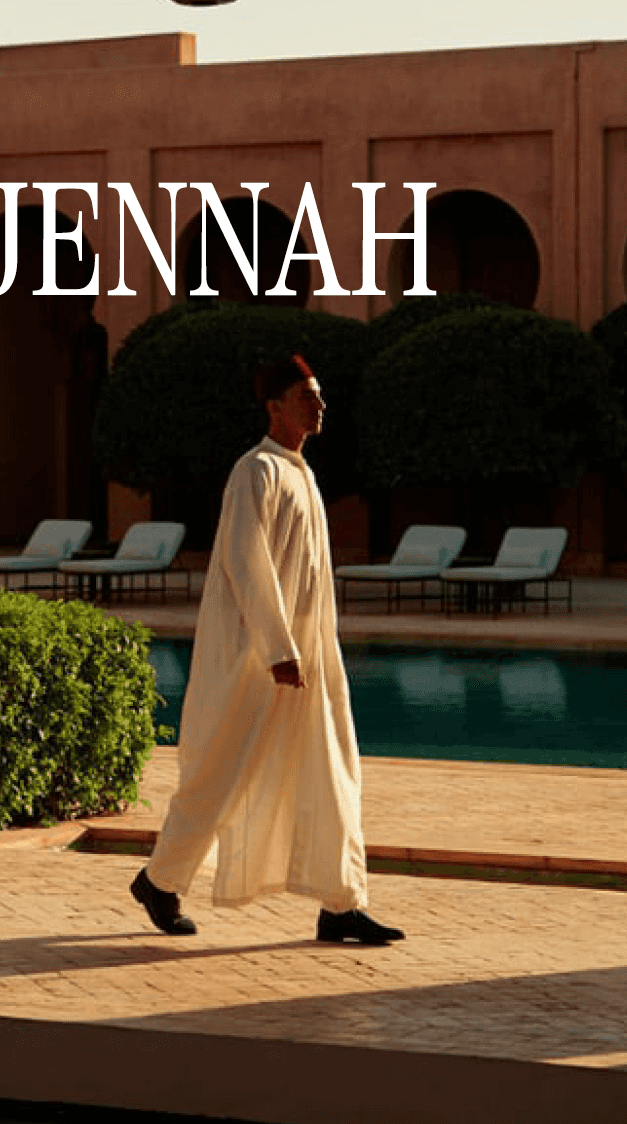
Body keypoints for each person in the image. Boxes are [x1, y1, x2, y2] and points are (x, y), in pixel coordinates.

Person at [130, 354, 404, 947]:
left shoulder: (302, 473)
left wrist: (309, 649)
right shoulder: (253, 471)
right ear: (275, 406)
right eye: (308, 397)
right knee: (222, 773)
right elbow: (247, 562)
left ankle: (342, 905)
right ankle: (160, 880)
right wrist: (277, 648)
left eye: (320, 397)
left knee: (334, 772)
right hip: (258, 662)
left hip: (310, 660)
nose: (320, 406)